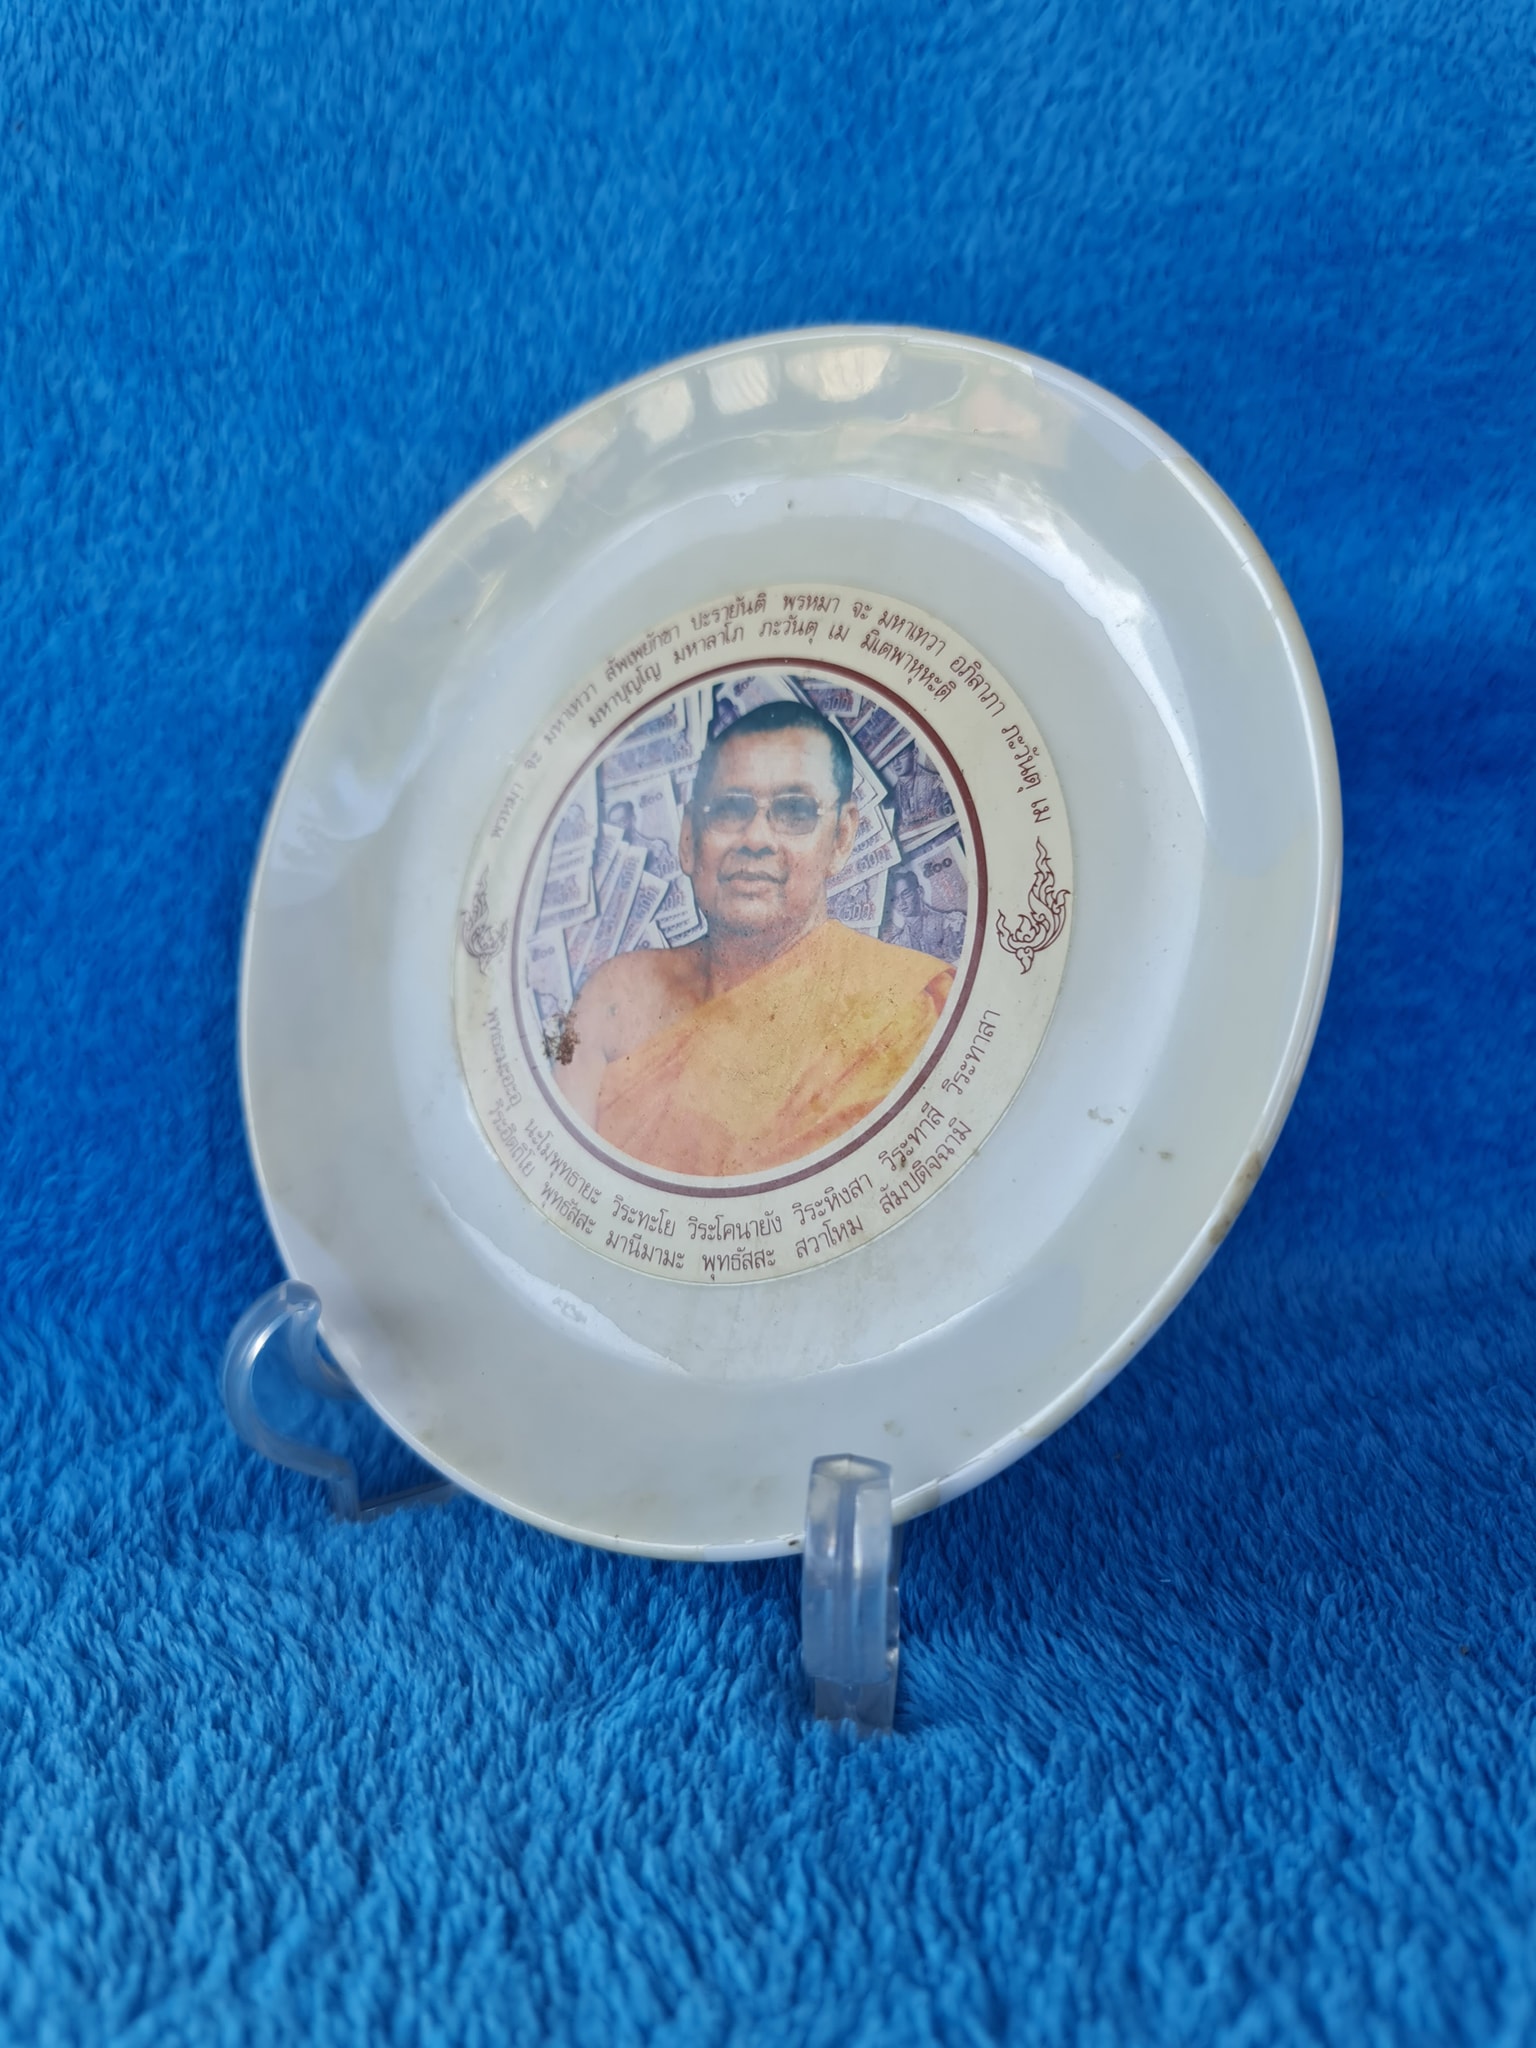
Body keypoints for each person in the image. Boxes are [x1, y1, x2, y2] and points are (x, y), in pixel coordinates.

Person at [554, 701, 954, 1175]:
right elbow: (562, 1182)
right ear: (689, 839)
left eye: (794, 811)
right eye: (730, 809)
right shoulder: (615, 995)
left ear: (842, 839)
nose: (756, 838)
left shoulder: (900, 1009)